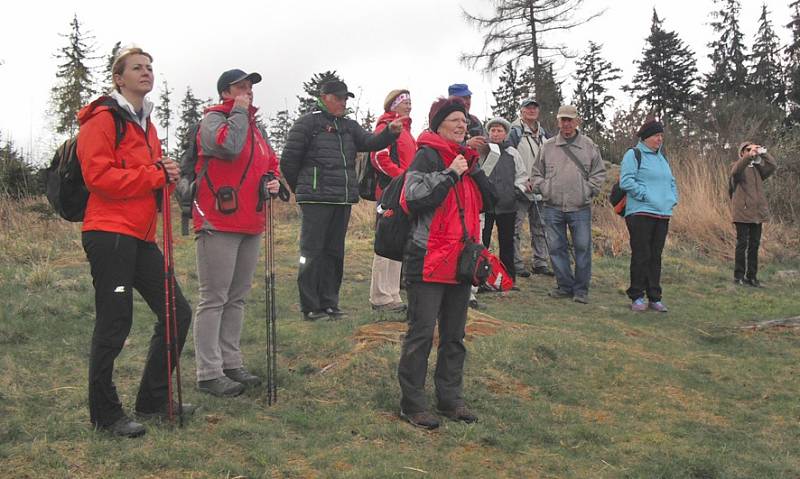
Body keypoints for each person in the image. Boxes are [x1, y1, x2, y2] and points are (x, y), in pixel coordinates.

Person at [77, 47, 194, 438]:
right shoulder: (102, 118)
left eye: (150, 68)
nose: (146, 73)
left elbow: (150, 177)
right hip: (108, 232)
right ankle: (105, 415)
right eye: (137, 68)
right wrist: (153, 175)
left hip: (141, 234)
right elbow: (99, 178)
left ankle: (153, 399)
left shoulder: (147, 125)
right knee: (114, 323)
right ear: (118, 78)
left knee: (177, 312)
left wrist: (167, 176)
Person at [397, 97, 495, 430]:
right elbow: (413, 199)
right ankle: (413, 404)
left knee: (454, 335)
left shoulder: (467, 159)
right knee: (421, 334)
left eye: (464, 121)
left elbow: (495, 200)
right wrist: (450, 175)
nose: (461, 125)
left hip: (462, 261)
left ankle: (450, 400)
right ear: (438, 124)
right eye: (454, 119)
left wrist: (474, 168)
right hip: (426, 258)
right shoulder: (425, 156)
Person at [280, 80, 404, 321]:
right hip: (315, 200)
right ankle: (311, 306)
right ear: (324, 97)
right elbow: (288, 161)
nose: (343, 103)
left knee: (334, 253)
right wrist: (303, 189)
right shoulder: (307, 123)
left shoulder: (348, 126)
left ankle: (330, 304)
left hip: (342, 199)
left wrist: (389, 133)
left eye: (345, 99)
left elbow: (369, 142)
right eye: (338, 98)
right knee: (312, 252)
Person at [191, 69, 281, 397]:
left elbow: (270, 161)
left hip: (251, 220)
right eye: (240, 86)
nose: (248, 91)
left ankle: (231, 362)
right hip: (218, 219)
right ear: (225, 92)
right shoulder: (214, 119)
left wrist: (272, 180)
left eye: (250, 86)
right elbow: (226, 146)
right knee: (214, 297)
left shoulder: (255, 127)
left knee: (237, 297)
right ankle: (208, 371)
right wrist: (240, 111)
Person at [531, 105, 606, 304]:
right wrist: (544, 188)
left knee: (583, 248)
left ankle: (581, 290)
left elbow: (599, 173)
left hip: (580, 207)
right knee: (556, 249)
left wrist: (589, 190)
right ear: (558, 121)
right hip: (552, 206)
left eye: (570, 120)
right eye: (563, 119)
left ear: (577, 121)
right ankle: (564, 286)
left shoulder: (589, 145)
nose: (566, 123)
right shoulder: (547, 146)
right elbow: (536, 173)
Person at [620, 120, 678, 312]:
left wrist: (672, 198)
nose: (659, 139)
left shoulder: (663, 159)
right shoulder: (633, 154)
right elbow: (626, 182)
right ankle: (637, 296)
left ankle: (654, 297)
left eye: (661, 136)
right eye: (655, 136)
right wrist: (645, 195)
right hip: (640, 212)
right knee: (641, 254)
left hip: (662, 213)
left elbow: (671, 181)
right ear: (645, 138)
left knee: (656, 256)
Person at [369, 89, 416, 313]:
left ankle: (393, 293)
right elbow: (379, 157)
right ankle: (379, 295)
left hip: (403, 193)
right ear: (392, 105)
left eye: (409, 101)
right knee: (385, 242)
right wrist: (401, 177)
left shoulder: (407, 132)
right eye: (404, 102)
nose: (409, 105)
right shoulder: (386, 128)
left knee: (396, 241)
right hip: (389, 192)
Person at [480, 117, 527, 286]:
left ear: (506, 133)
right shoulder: (483, 151)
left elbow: (522, 176)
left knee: (507, 243)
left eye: (499, 130)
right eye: (493, 130)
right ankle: (481, 278)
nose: (496, 133)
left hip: (507, 205)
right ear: (488, 133)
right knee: (482, 242)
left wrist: (516, 191)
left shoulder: (512, 153)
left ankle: (508, 279)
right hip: (485, 206)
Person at [508, 98, 552, 277]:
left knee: (541, 227)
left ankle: (540, 262)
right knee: (515, 228)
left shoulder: (544, 134)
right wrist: (519, 180)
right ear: (521, 111)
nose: (532, 110)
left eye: (535, 107)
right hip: (520, 188)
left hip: (540, 188)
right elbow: (508, 157)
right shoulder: (514, 131)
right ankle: (516, 263)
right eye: (528, 107)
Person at [730, 141, 776, 287]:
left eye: (753, 149)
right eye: (748, 150)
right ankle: (738, 277)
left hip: (757, 214)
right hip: (742, 213)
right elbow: (735, 172)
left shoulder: (757, 169)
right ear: (742, 153)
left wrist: (763, 153)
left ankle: (752, 277)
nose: (752, 152)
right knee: (742, 244)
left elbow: (773, 166)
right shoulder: (737, 167)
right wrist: (748, 157)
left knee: (754, 245)